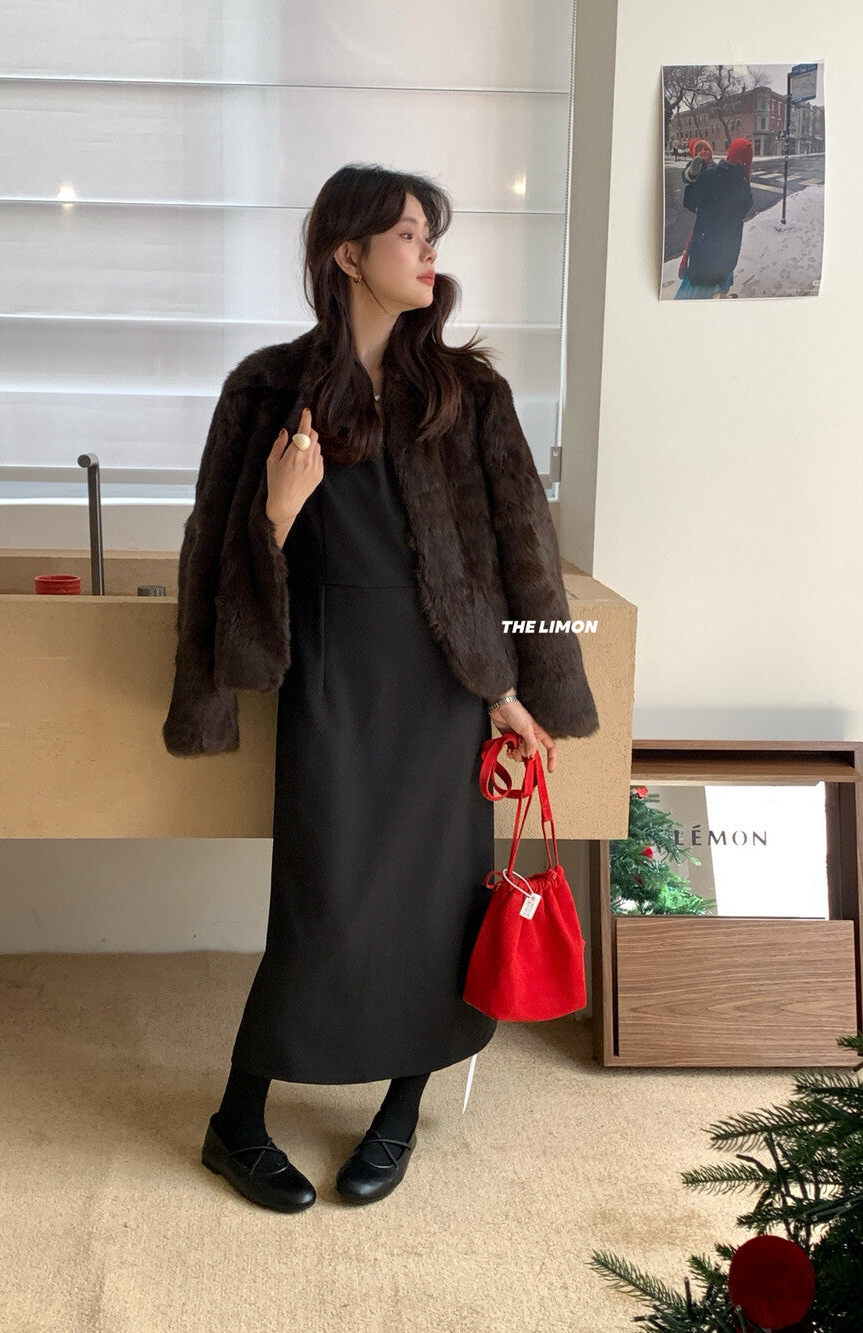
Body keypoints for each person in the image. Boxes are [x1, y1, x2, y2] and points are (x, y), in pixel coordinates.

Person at [163, 164, 599, 1213]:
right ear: (347, 254)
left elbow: (524, 560)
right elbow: (211, 559)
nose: (428, 249)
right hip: (331, 678)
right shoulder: (266, 389)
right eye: (407, 233)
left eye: (430, 233)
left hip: (444, 689)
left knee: (439, 906)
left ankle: (401, 1109)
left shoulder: (468, 392)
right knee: (321, 903)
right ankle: (236, 1119)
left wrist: (522, 687)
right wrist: (279, 511)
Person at [675, 138, 755, 298]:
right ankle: (722, 297)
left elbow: (689, 201)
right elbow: (746, 206)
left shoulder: (712, 175)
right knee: (723, 273)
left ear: (730, 154)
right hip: (728, 246)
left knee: (696, 290)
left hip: (706, 245)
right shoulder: (743, 181)